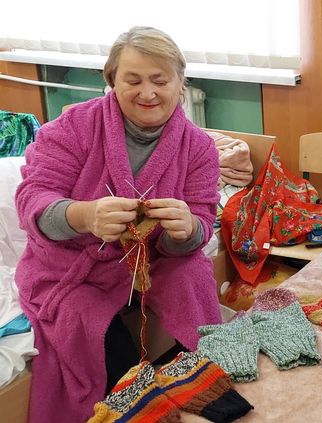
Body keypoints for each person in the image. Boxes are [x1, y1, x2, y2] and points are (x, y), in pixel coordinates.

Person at [14, 27, 221, 422]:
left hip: (152, 262)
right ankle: (136, 405)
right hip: (74, 270)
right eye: (133, 80)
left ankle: (199, 378)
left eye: (160, 80)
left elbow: (202, 221)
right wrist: (84, 215)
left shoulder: (198, 147)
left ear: (181, 82)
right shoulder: (73, 127)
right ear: (111, 81)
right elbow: (33, 197)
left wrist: (187, 229)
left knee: (192, 275)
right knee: (87, 321)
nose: (148, 93)